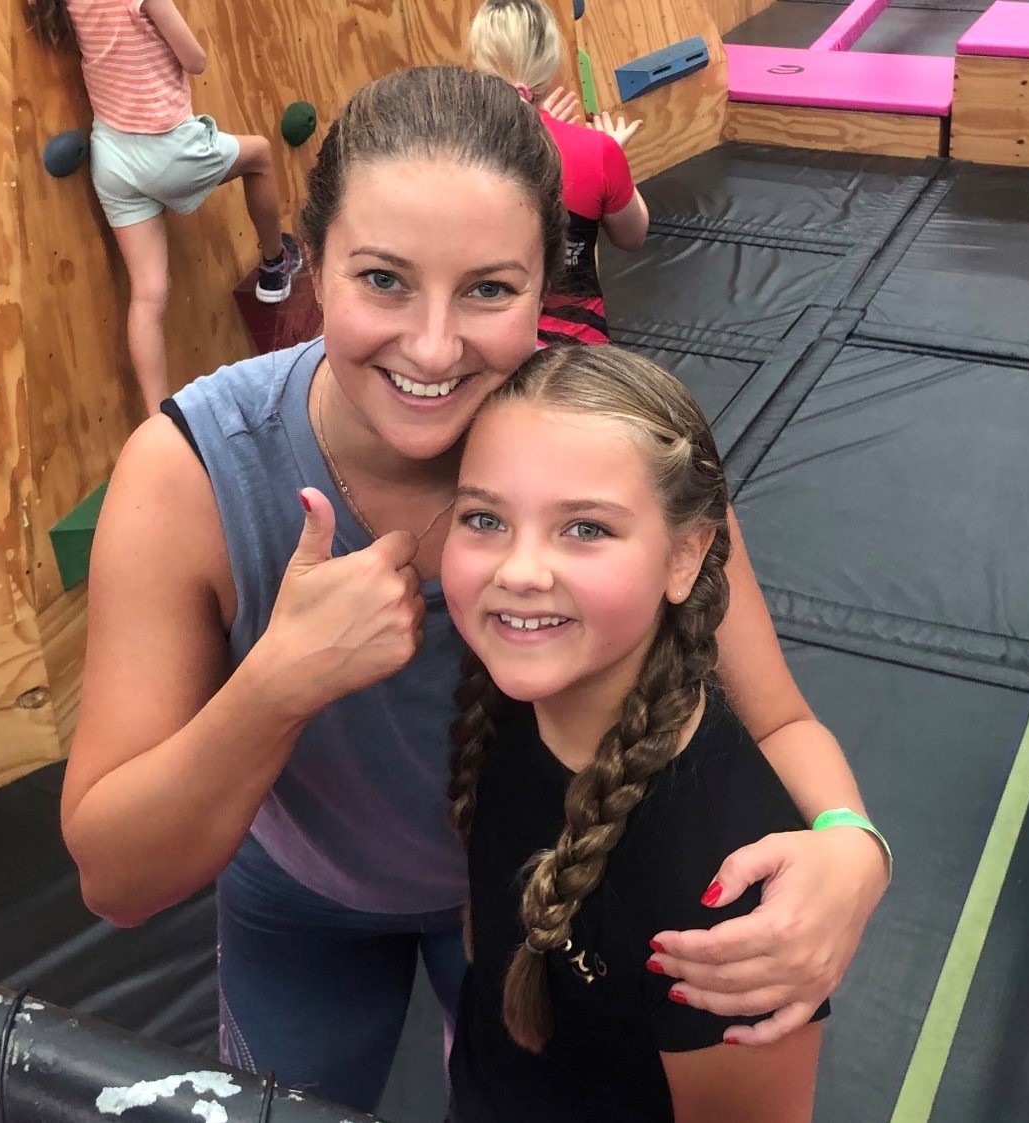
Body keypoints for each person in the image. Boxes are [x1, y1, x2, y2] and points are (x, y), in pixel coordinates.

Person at [61, 66, 888, 1113]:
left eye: (490, 289)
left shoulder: (614, 454)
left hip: (527, 893)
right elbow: (117, 880)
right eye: (383, 280)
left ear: (549, 287)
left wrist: (853, 847)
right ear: (312, 264)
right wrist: (278, 682)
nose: (435, 345)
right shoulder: (192, 472)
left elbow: (774, 719)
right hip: (301, 897)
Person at [443, 345, 844, 1122]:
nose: (521, 569)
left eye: (585, 528)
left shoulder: (722, 889)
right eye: (485, 518)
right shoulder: (504, 708)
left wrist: (853, 836)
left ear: (685, 554)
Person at [30, 0, 303, 415]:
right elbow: (195, 60)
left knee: (148, 295)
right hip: (168, 149)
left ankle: (157, 419)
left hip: (114, 158)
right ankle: (273, 265)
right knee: (261, 156)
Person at [469, 0, 649, 343]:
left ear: (478, 64)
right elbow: (632, 237)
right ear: (552, 67)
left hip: (488, 343)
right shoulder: (597, 151)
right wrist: (611, 155)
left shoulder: (454, 147)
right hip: (576, 352)